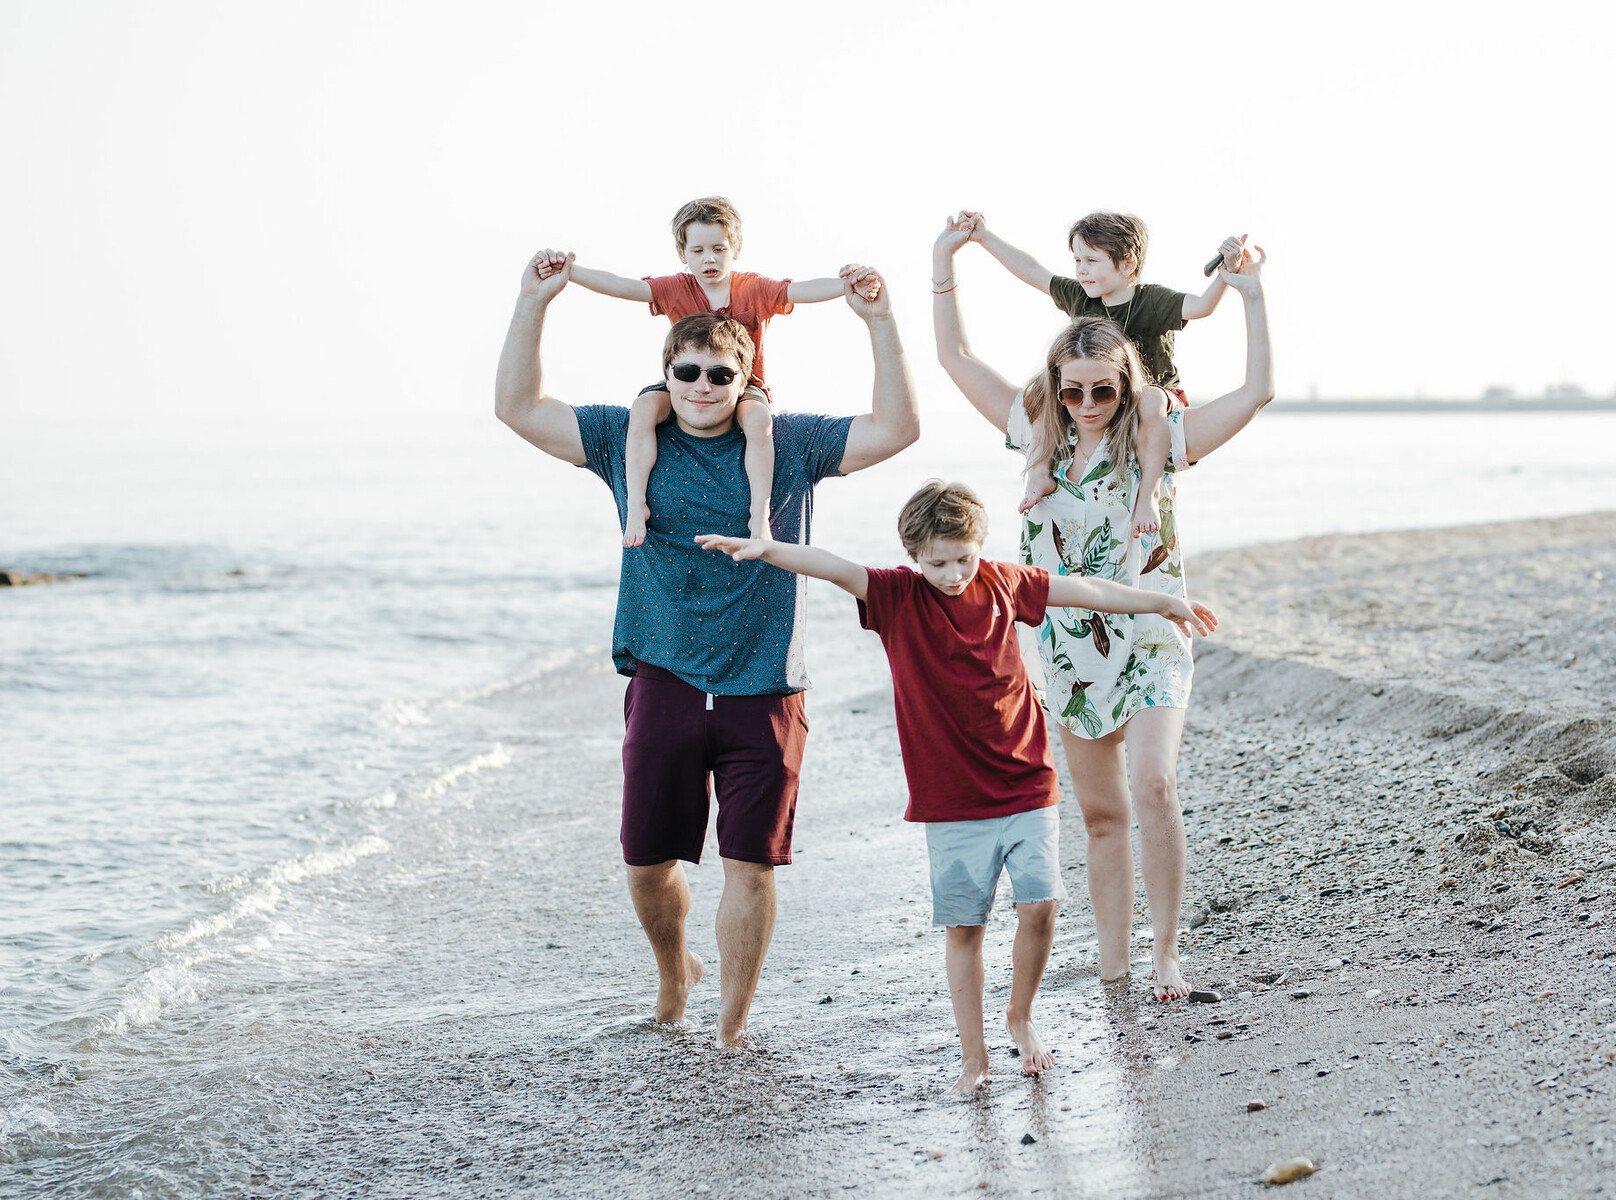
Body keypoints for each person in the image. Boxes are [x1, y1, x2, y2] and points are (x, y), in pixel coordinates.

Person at [494, 249, 918, 1047]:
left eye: (719, 375)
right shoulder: (626, 439)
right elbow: (517, 407)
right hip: (665, 679)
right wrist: (533, 304)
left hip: (766, 687)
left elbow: (898, 429)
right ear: (666, 373)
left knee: (750, 866)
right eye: (685, 371)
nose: (700, 386)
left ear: (746, 380)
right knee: (648, 863)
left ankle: (731, 1024)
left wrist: (880, 323)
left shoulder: (787, 445)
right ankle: (672, 971)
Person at [696, 481, 1217, 1094]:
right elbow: (833, 567)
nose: (951, 574)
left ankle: (1020, 1014)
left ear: (979, 546)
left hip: (1026, 779)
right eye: (937, 562)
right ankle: (975, 1056)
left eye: (962, 558)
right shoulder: (896, 596)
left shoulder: (1003, 581)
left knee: (1042, 908)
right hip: (951, 799)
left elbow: (1088, 592)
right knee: (966, 928)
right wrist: (767, 549)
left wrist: (1160, 604)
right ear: (914, 557)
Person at [932, 215, 1273, 1001]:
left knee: (1152, 783)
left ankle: (1165, 951)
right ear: (1054, 386)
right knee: (1099, 814)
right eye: (1073, 389)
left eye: (1103, 389)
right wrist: (946, 261)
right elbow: (955, 357)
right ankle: (1115, 966)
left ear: (1126, 384)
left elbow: (1257, 392)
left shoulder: (1163, 437)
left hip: (1153, 627)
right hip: (1069, 644)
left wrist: (1249, 298)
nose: (1087, 403)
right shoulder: (1035, 440)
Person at [533, 196, 876, 547]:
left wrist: (846, 284)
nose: (709, 259)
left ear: (736, 249)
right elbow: (623, 286)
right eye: (697, 250)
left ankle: (759, 516)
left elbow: (800, 290)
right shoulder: (675, 288)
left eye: (718, 248)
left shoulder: (754, 288)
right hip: (685, 379)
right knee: (643, 410)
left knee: (759, 421)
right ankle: (636, 505)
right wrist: (571, 273)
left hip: (743, 386)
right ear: (682, 253)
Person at [953, 210, 1246, 535]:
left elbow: (1202, 306)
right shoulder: (1081, 295)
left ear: (1127, 264)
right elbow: (1032, 271)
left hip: (1154, 396)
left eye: (1091, 261)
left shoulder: (1151, 300)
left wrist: (1225, 272)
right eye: (1077, 259)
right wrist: (984, 237)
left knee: (1149, 400)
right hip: (1098, 394)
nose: (1080, 270)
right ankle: (1038, 471)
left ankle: (1148, 492)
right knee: (1040, 388)